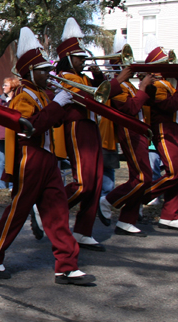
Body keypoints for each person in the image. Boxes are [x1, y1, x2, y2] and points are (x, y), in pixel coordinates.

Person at [0, 27, 93, 286]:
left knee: (58, 211)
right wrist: (58, 104)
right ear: (30, 71)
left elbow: (52, 122)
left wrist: (64, 104)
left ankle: (66, 265)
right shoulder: (23, 97)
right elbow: (31, 127)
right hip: (30, 158)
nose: (48, 74)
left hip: (47, 158)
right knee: (18, 211)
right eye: (42, 70)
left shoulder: (42, 93)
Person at [54, 17, 128, 252]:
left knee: (95, 184)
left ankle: (84, 230)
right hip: (77, 127)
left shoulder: (84, 77)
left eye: (84, 56)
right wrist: (118, 81)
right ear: (67, 58)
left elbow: (100, 97)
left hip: (91, 126)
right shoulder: (65, 77)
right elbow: (87, 98)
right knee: (83, 182)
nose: (84, 60)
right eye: (79, 57)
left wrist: (99, 78)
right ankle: (48, 207)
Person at [98, 34, 155, 237]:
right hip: (129, 131)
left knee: (139, 178)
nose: (129, 64)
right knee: (143, 178)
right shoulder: (117, 85)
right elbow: (129, 108)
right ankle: (109, 200)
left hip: (140, 130)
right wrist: (142, 89)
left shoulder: (128, 85)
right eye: (124, 61)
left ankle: (126, 220)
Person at [141, 47, 178, 231]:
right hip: (163, 129)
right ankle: (138, 196)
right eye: (164, 64)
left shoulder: (165, 83)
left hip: (172, 129)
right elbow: (172, 105)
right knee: (174, 173)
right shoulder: (155, 86)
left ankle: (170, 215)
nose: (169, 67)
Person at [0, 76, 18, 191]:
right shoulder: (0, 100)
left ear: (13, 87)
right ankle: (0, 184)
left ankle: (12, 185)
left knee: (12, 161)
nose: (3, 87)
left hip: (11, 135)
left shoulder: (17, 100)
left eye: (5, 85)